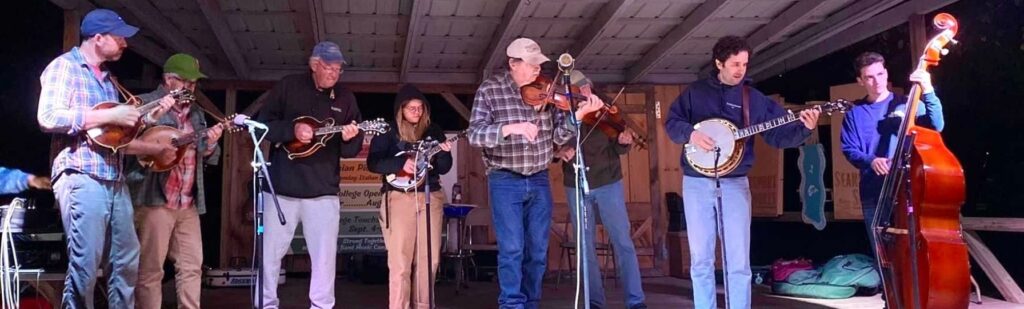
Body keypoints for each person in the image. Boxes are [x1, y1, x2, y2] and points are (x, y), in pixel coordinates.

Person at [664, 35, 820, 309]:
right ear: (719, 63)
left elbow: (777, 136)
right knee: (700, 260)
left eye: (745, 64)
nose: (741, 70)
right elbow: (672, 123)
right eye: (735, 64)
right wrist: (691, 134)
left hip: (735, 183)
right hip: (696, 182)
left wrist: (804, 129)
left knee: (738, 261)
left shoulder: (754, 99)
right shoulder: (695, 93)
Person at [37, 8, 175, 308]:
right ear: (98, 38)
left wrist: (148, 118)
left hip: (113, 177)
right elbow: (48, 117)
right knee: (85, 264)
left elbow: (113, 136)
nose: (125, 43)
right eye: (118, 37)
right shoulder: (65, 67)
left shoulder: (109, 80)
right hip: (81, 174)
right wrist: (109, 115)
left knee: (126, 261)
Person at [467, 37, 601, 309]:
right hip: (505, 179)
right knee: (512, 248)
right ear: (513, 64)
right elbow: (474, 135)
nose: (538, 69)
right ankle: (511, 304)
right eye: (531, 64)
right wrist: (509, 128)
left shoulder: (547, 92)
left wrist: (577, 117)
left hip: (539, 178)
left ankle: (531, 303)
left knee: (538, 250)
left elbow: (558, 136)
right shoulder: (490, 90)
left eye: (539, 64)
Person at [255, 41, 364, 308]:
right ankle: (265, 304)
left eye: (338, 69)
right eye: (329, 67)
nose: (334, 73)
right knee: (270, 255)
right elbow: (261, 127)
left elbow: (350, 150)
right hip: (281, 188)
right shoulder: (288, 86)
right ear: (314, 65)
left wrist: (350, 137)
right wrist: (291, 130)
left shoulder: (345, 97)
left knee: (324, 259)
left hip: (323, 191)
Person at [125, 53, 223, 309]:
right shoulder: (145, 103)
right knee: (151, 270)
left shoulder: (197, 113)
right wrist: (155, 116)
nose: (190, 87)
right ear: (169, 80)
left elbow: (204, 154)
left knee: (192, 267)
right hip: (154, 200)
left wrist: (211, 144)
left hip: (187, 202)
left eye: (193, 83)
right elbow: (124, 141)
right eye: (185, 81)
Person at [554, 71, 648, 309]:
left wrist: (624, 143)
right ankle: (594, 301)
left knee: (622, 240)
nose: (585, 92)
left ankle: (635, 301)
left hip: (608, 182)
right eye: (579, 89)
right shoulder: (559, 111)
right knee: (584, 245)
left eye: (587, 87)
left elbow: (618, 145)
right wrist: (560, 151)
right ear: (569, 92)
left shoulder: (605, 107)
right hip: (575, 181)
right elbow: (550, 142)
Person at [839, 51, 944, 251]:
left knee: (915, 251)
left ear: (886, 73)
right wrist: (871, 160)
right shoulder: (854, 113)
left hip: (908, 191)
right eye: (869, 77)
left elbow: (936, 125)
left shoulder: (907, 104)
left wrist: (928, 89)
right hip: (873, 193)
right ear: (860, 81)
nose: (877, 81)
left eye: (880, 74)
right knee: (883, 256)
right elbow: (849, 148)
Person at [367, 84, 453, 309]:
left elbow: (444, 168)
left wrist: (444, 153)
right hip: (399, 197)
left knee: (429, 259)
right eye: (411, 108)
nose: (417, 112)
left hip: (430, 196)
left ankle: (424, 305)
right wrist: (399, 164)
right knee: (400, 261)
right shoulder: (388, 132)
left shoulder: (433, 130)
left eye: (420, 108)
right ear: (401, 110)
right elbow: (373, 163)